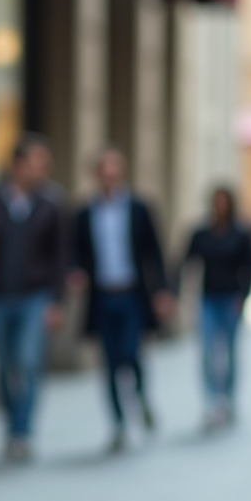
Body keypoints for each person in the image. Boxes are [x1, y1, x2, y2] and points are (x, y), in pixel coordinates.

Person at [71, 148, 174, 452]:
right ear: (96, 175)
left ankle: (141, 396)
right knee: (110, 363)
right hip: (102, 297)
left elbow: (155, 252)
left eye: (114, 170)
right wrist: (76, 272)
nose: (109, 176)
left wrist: (163, 292)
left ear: (122, 172)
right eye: (104, 170)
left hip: (132, 295)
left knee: (131, 353)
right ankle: (117, 424)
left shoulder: (140, 208)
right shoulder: (85, 213)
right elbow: (76, 252)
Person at [0, 135, 67, 461]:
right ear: (18, 165)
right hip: (0, 298)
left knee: (28, 362)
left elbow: (60, 256)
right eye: (37, 162)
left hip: (36, 298)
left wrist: (56, 301)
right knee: (4, 368)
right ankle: (11, 424)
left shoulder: (52, 205)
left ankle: (22, 432)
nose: (44, 169)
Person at [180, 187, 251, 429]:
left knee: (231, 352)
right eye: (216, 203)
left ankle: (230, 399)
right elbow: (185, 261)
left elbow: (250, 268)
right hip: (208, 299)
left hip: (231, 298)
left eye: (224, 203)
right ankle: (212, 401)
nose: (220, 207)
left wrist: (244, 296)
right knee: (208, 352)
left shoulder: (240, 234)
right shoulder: (201, 234)